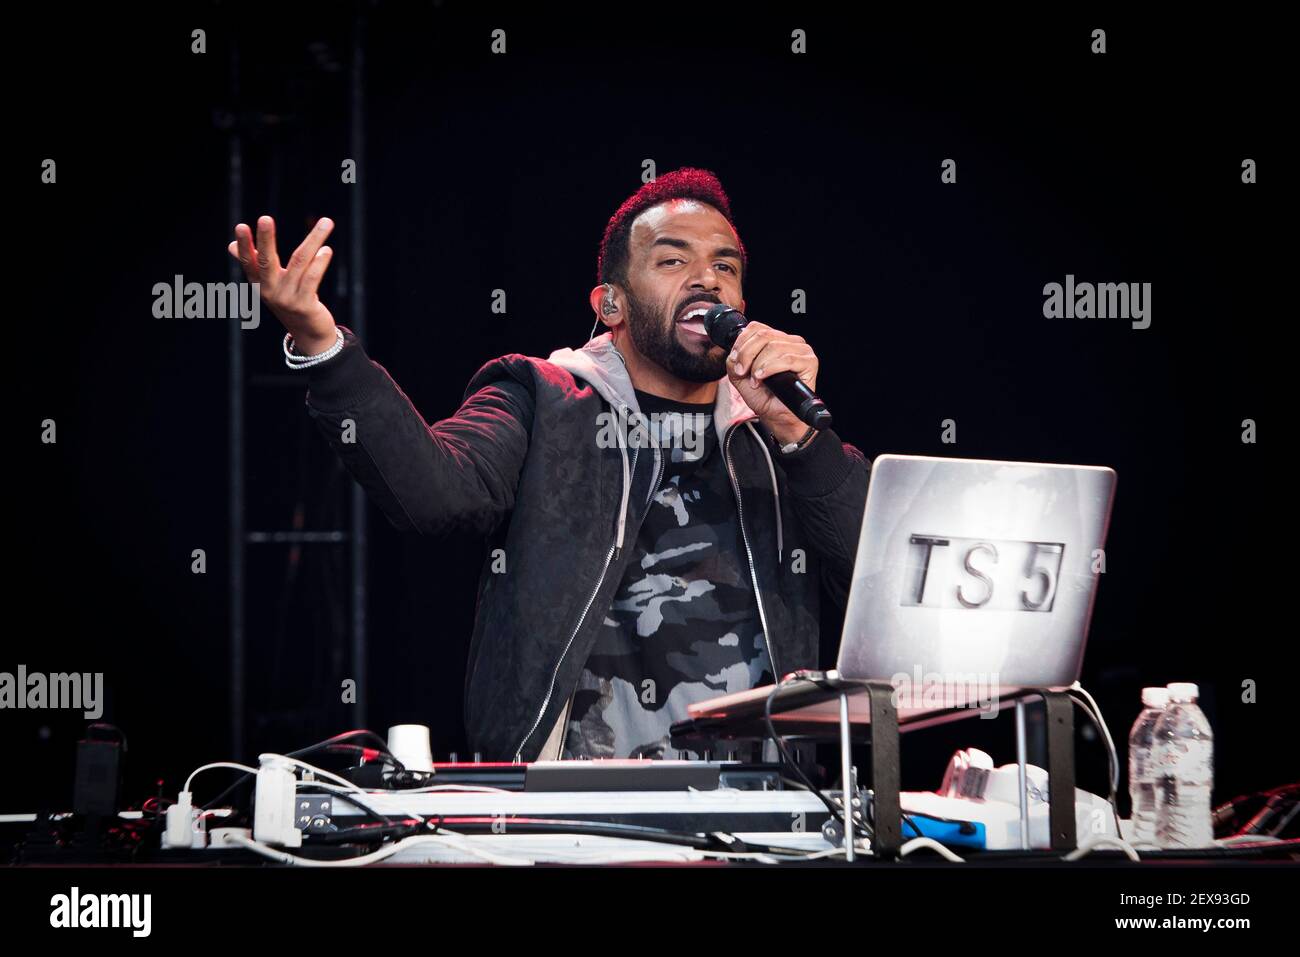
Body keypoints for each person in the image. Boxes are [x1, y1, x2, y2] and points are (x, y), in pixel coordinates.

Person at [228, 168, 871, 762]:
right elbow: (436, 497)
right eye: (673, 259)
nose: (707, 280)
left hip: (767, 810)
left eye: (725, 266)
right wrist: (323, 345)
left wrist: (797, 435)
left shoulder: (778, 430)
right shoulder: (544, 398)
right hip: (574, 806)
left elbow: (878, 577)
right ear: (610, 305)